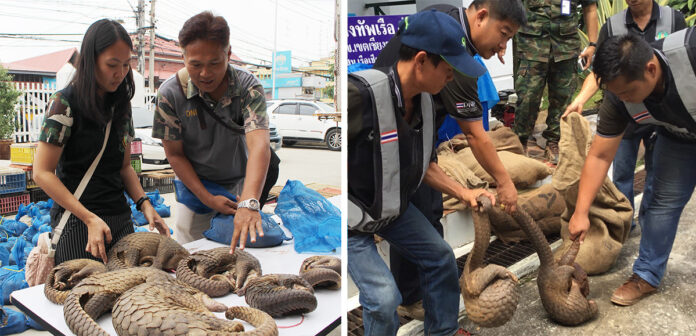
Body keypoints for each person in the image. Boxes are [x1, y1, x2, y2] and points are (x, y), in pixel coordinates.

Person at [373, 0, 526, 319]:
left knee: (423, 212)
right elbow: (475, 134)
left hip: (409, 136)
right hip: (391, 141)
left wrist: (463, 192)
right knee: (424, 231)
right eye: (504, 34)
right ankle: (418, 301)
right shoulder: (450, 50)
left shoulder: (443, 16)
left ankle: (416, 298)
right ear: (481, 16)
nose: (503, 46)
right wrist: (504, 181)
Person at [348, 10, 497, 335]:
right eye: (448, 69)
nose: (452, 77)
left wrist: (465, 192)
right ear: (420, 62)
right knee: (385, 299)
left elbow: (426, 167)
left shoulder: (427, 104)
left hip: (391, 211)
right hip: (349, 225)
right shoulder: (359, 96)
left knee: (441, 257)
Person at [568, 29, 696, 306]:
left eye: (627, 92)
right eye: (617, 93)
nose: (624, 99)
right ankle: (647, 274)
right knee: (661, 203)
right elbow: (600, 156)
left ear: (651, 69)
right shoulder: (618, 96)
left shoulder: (691, 52)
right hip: (680, 139)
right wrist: (580, 213)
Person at [34, 19, 169, 265]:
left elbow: (125, 166)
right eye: (111, 64)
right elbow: (42, 172)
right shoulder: (63, 103)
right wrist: (89, 218)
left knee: (127, 294)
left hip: (120, 219)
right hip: (78, 223)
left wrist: (144, 204)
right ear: (90, 60)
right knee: (83, 298)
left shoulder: (121, 106)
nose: (120, 73)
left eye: (126, 64)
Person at [153, 11, 279, 252]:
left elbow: (259, 145)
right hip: (196, 188)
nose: (205, 74)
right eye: (196, 64)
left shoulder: (248, 87)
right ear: (183, 56)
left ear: (228, 54)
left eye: (214, 63)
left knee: (241, 251)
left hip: (241, 185)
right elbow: (175, 155)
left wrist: (249, 202)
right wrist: (207, 198)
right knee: (191, 253)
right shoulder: (169, 95)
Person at [563, 0, 686, 231]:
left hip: (664, 115)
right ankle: (624, 224)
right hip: (627, 114)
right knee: (622, 173)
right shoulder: (611, 26)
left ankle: (651, 224)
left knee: (657, 174)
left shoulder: (673, 19)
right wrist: (579, 100)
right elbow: (600, 73)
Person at [513, 0, 598, 163]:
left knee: (562, 98)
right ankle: (522, 140)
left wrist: (592, 45)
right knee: (527, 97)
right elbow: (508, 7)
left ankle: (554, 142)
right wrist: (501, 40)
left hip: (566, 49)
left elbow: (590, 8)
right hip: (531, 47)